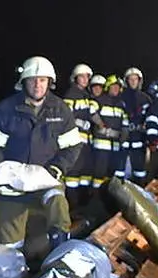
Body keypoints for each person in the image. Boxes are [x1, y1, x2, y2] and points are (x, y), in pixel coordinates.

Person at [0, 56, 82, 272]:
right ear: (23, 82)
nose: (37, 85)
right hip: (12, 184)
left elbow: (73, 145)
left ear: (49, 83)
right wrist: (2, 172)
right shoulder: (6, 109)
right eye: (33, 80)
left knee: (58, 204)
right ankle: (12, 275)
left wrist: (56, 168)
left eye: (42, 80)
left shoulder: (60, 109)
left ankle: (60, 260)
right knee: (9, 244)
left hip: (46, 179)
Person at [62, 63, 96, 204]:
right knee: (73, 172)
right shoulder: (71, 94)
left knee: (85, 171)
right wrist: (79, 123)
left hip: (86, 141)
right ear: (75, 78)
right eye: (81, 77)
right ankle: (72, 202)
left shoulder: (86, 96)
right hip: (74, 140)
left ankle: (82, 201)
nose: (85, 80)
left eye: (87, 77)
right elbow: (65, 116)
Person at [120, 67, 152, 184]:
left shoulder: (146, 99)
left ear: (139, 81)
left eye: (135, 79)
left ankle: (139, 188)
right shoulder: (121, 97)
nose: (133, 81)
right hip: (123, 139)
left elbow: (150, 118)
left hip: (139, 139)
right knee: (120, 171)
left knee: (140, 172)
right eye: (131, 79)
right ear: (126, 81)